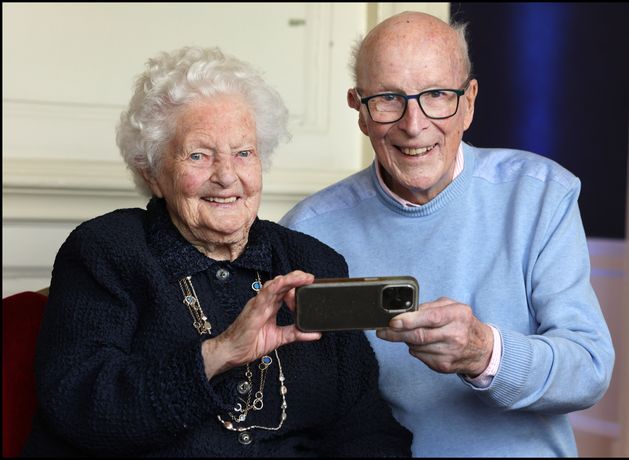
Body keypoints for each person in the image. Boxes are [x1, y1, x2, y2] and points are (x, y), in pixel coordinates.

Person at [21, 46, 412, 457]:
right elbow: (81, 404)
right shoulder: (108, 251)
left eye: (243, 153)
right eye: (199, 155)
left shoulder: (312, 261)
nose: (226, 176)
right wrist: (220, 353)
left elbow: (365, 426)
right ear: (152, 172)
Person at [280, 11, 615, 457]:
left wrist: (484, 353)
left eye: (437, 95)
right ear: (360, 110)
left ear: (469, 102)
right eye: (388, 99)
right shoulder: (307, 229)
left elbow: (589, 370)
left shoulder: (540, 194)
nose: (413, 124)